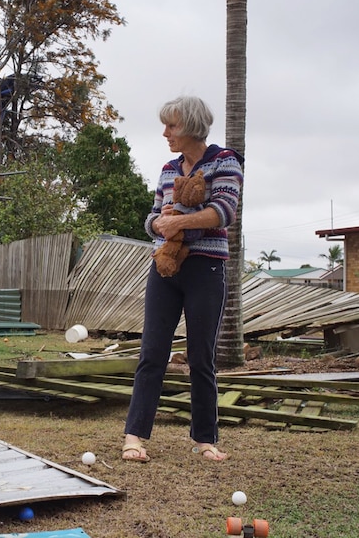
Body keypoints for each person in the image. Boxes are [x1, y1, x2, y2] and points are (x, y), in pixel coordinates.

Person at [122, 96, 244, 463]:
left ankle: (205, 440)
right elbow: (154, 216)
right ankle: (134, 437)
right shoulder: (167, 168)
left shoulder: (225, 162)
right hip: (164, 267)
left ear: (191, 126)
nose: (165, 133)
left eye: (171, 126)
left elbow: (224, 212)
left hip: (206, 269)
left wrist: (179, 221)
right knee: (152, 352)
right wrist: (158, 223)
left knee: (201, 357)